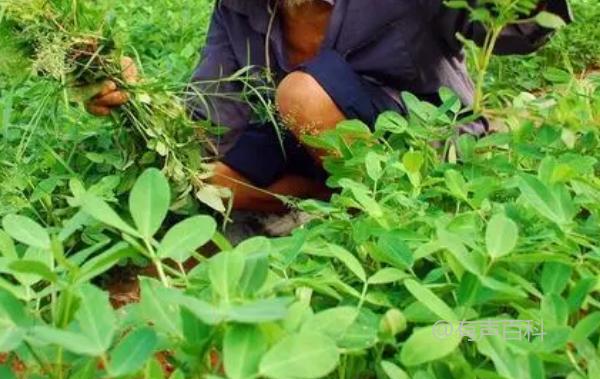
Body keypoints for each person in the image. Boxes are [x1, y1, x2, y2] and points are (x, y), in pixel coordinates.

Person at [88, 0, 571, 217]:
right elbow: (210, 118)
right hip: (307, 138)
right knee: (209, 179)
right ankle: (313, 202)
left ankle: (387, 212)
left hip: (416, 138)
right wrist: (137, 96)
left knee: (301, 94)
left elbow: (520, 27)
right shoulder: (238, 7)